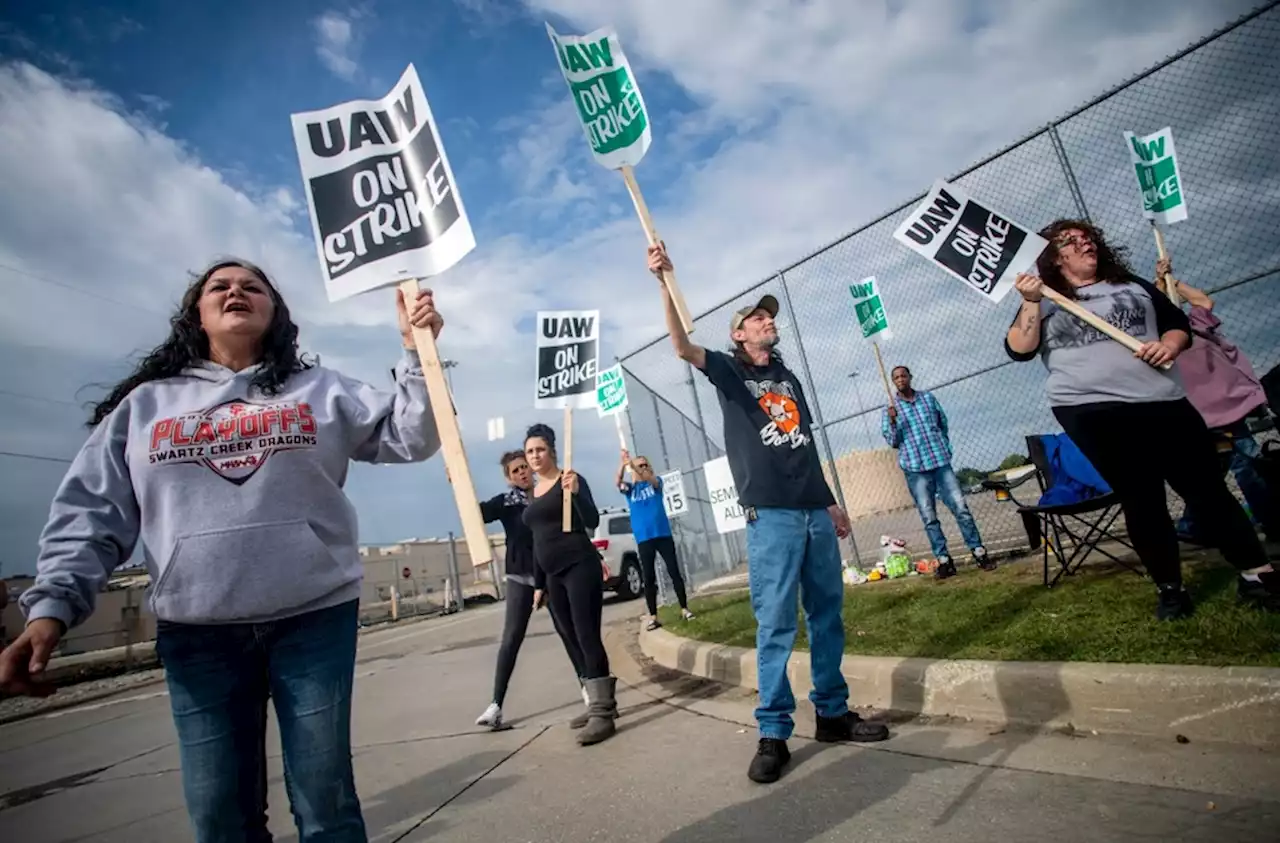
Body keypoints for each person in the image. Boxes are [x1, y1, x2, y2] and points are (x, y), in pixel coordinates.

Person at [0, 258, 445, 843]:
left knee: (325, 804)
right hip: (197, 632)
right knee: (218, 818)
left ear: (274, 313)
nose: (236, 290)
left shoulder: (321, 389)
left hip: (312, 620)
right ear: (197, 314)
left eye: (252, 286)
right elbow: (91, 513)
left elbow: (412, 436)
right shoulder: (144, 407)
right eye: (220, 287)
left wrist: (418, 354)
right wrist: (51, 609)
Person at [647, 243, 890, 785]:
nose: (766, 323)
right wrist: (665, 281)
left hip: (813, 512)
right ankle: (774, 731)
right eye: (757, 319)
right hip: (772, 517)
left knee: (828, 615)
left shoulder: (789, 378)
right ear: (740, 334)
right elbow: (682, 346)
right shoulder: (731, 375)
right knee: (777, 624)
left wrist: (829, 500)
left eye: (768, 318)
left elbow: (802, 446)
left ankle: (832, 713)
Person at [1005, 220, 1279, 618]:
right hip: (1091, 409)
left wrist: (1168, 344)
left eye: (1089, 238)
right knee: (1141, 498)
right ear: (1052, 255)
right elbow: (1019, 348)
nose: (1086, 244)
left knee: (1206, 490)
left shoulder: (1130, 284)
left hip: (1162, 400)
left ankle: (1258, 574)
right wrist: (1030, 301)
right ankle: (1171, 588)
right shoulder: (1044, 297)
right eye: (1071, 241)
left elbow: (1176, 323)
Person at [1155, 259, 1277, 543]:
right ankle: (1269, 521)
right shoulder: (1157, 344)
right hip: (1202, 414)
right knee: (1242, 464)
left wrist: (1172, 281)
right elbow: (1156, 305)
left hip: (1226, 408)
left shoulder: (1195, 326)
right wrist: (1160, 285)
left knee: (1223, 469)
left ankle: (1192, 525)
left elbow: (1203, 302)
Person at [476, 449, 591, 732]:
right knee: (511, 638)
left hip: (550, 571)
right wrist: (457, 484)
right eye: (515, 471)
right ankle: (496, 705)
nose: (522, 472)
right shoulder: (505, 502)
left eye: (524, 467)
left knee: (569, 631)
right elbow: (475, 512)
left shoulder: (545, 493)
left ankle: (589, 688)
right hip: (520, 576)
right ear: (508, 478)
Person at [521, 423, 617, 746]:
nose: (535, 456)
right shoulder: (532, 493)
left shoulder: (570, 480)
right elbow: (537, 541)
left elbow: (591, 521)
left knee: (587, 634)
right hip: (552, 576)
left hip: (579, 565)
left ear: (552, 450)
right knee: (571, 638)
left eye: (540, 450)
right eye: (530, 451)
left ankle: (603, 713)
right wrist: (539, 584)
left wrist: (575, 494)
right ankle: (595, 703)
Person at [881, 365, 993, 578]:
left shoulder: (928, 399)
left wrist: (943, 445)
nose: (900, 379)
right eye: (896, 377)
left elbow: (943, 423)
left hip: (940, 462)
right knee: (929, 516)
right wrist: (894, 422)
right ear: (893, 382)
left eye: (904, 375)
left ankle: (979, 551)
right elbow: (893, 441)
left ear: (910, 377)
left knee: (961, 509)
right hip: (915, 469)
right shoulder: (890, 409)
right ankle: (944, 560)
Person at [615, 448, 695, 629]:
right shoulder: (630, 489)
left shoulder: (655, 483)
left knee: (674, 571)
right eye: (640, 465)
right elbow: (617, 482)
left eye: (645, 465)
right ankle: (653, 616)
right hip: (644, 539)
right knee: (648, 577)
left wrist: (637, 468)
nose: (643, 468)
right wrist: (623, 464)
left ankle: (684, 608)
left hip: (663, 535)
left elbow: (652, 480)